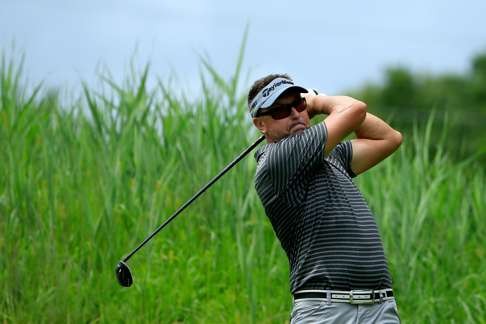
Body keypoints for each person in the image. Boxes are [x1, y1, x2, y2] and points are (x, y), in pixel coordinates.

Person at [248, 74, 403, 323]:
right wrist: (318, 103)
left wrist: (318, 105)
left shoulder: (331, 157)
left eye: (299, 105)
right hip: (325, 309)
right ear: (261, 125)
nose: (296, 114)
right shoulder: (279, 158)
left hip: (379, 306)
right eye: (280, 111)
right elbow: (355, 110)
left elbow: (389, 138)